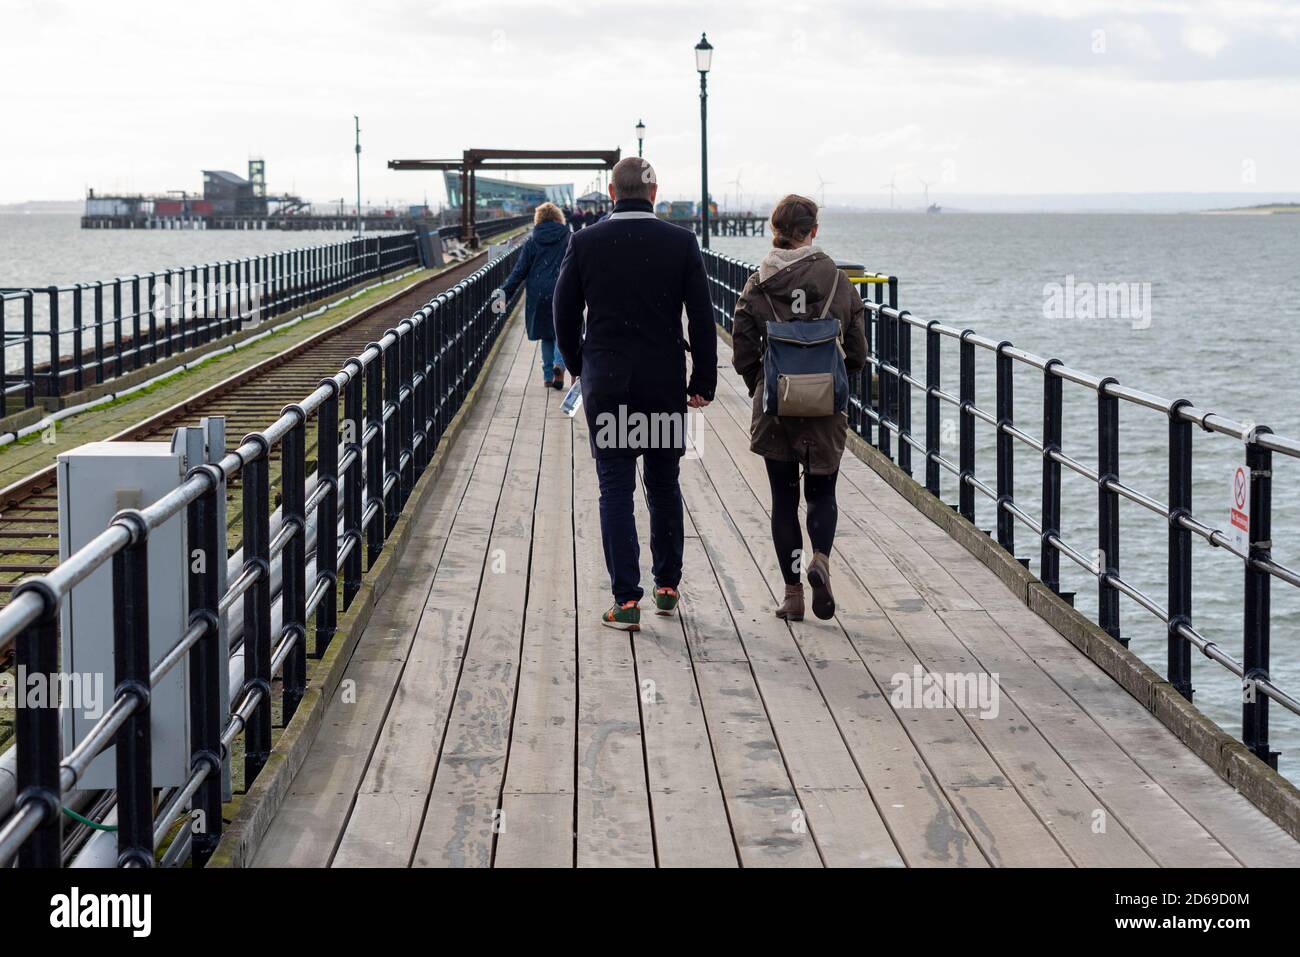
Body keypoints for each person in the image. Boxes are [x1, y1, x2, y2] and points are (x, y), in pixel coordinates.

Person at [553, 157, 716, 631]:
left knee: (615, 490)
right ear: (655, 192)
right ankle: (667, 587)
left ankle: (626, 599)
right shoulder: (681, 242)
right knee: (664, 485)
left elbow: (564, 314)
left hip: (610, 383)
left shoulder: (584, 242)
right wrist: (702, 381)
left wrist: (582, 366)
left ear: (610, 192)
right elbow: (702, 318)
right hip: (664, 383)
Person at [730, 194, 867, 621]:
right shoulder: (838, 281)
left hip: (776, 408)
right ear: (814, 231)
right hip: (826, 407)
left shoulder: (758, 283)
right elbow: (859, 350)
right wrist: (835, 383)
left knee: (783, 502)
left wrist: (763, 385)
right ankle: (821, 560)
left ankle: (792, 595)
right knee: (822, 493)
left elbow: (742, 348)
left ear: (775, 230)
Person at [498, 202, 570, 389]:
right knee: (561, 332)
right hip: (561, 290)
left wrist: (505, 292)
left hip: (538, 293)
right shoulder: (568, 237)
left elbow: (519, 270)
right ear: (558, 217)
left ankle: (547, 377)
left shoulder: (532, 240)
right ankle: (559, 366)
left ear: (538, 218)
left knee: (546, 335)